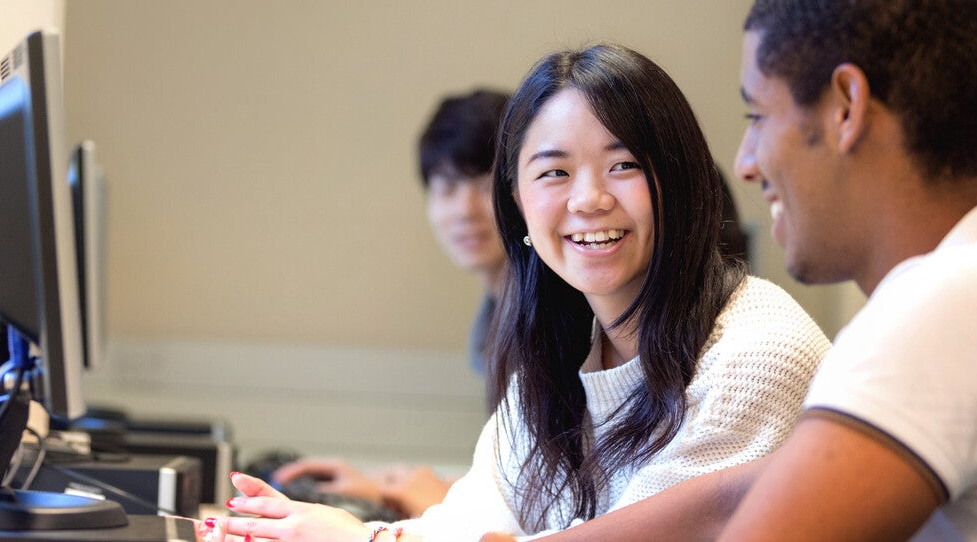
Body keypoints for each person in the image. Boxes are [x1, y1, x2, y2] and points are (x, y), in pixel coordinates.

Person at [514, 0, 977, 540]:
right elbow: (740, 494)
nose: (746, 162)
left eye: (758, 116)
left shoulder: (943, 313)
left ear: (846, 108)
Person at [202, 44, 831, 541]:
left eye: (624, 165)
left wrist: (367, 538)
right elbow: (468, 523)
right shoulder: (552, 362)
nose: (588, 199)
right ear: (519, 205)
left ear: (683, 180)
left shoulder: (755, 353)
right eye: (554, 172)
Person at [266, 90, 511, 520]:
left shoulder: (560, 315)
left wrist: (433, 500)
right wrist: (387, 486)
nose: (465, 210)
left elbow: (559, 496)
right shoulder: (493, 316)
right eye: (447, 186)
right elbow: (520, 477)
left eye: (485, 186)